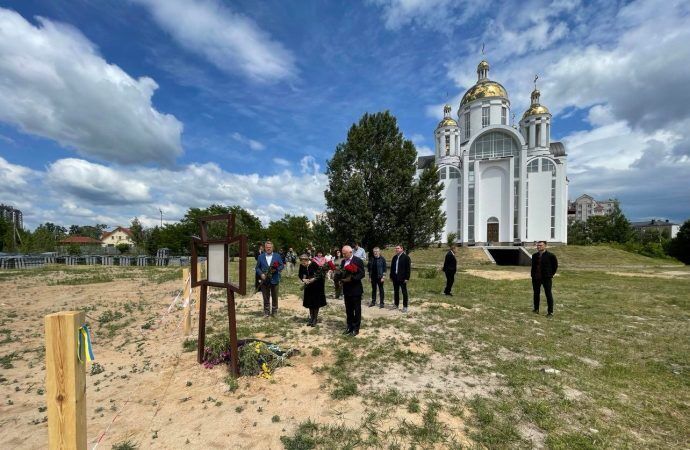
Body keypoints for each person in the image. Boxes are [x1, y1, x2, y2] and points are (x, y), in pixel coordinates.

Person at [340, 245, 365, 335]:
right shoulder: (343, 262)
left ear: (350, 252)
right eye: (342, 253)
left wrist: (352, 279)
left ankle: (356, 328)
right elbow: (342, 273)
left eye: (345, 253)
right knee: (348, 309)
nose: (343, 255)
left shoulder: (358, 261)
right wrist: (339, 278)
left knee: (356, 310)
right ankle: (349, 326)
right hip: (346, 290)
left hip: (355, 289)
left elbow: (362, 274)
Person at [255, 240, 284, 317]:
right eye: (267, 247)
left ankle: (274, 311)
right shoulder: (260, 257)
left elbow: (282, 265)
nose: (268, 249)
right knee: (265, 296)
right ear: (265, 248)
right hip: (264, 280)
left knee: (275, 296)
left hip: (275, 279)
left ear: (272, 248)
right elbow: (257, 268)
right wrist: (261, 274)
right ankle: (266, 311)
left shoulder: (277, 256)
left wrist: (276, 269)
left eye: (270, 247)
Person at [298, 254, 327, 326]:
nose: (303, 264)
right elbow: (300, 274)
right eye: (302, 262)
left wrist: (313, 279)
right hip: (308, 286)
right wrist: (303, 279)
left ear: (307, 260)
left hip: (317, 286)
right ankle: (311, 318)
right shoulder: (302, 265)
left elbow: (320, 274)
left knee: (315, 302)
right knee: (309, 302)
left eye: (304, 262)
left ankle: (315, 319)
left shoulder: (313, 264)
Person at [531, 241, 558, 316]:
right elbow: (533, 267)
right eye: (538, 245)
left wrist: (550, 274)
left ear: (545, 246)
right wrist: (533, 275)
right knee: (536, 294)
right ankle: (536, 309)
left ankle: (550, 312)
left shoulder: (551, 255)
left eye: (540, 245)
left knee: (548, 294)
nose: (538, 247)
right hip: (536, 278)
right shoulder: (534, 255)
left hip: (546, 278)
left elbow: (555, 266)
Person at [390, 244, 411, 312]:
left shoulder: (406, 257)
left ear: (402, 249)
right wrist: (391, 276)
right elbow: (392, 268)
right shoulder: (394, 257)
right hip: (395, 278)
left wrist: (407, 278)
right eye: (396, 248)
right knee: (396, 291)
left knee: (404, 292)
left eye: (398, 248)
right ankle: (396, 304)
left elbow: (408, 269)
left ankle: (405, 306)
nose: (396, 249)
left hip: (402, 278)